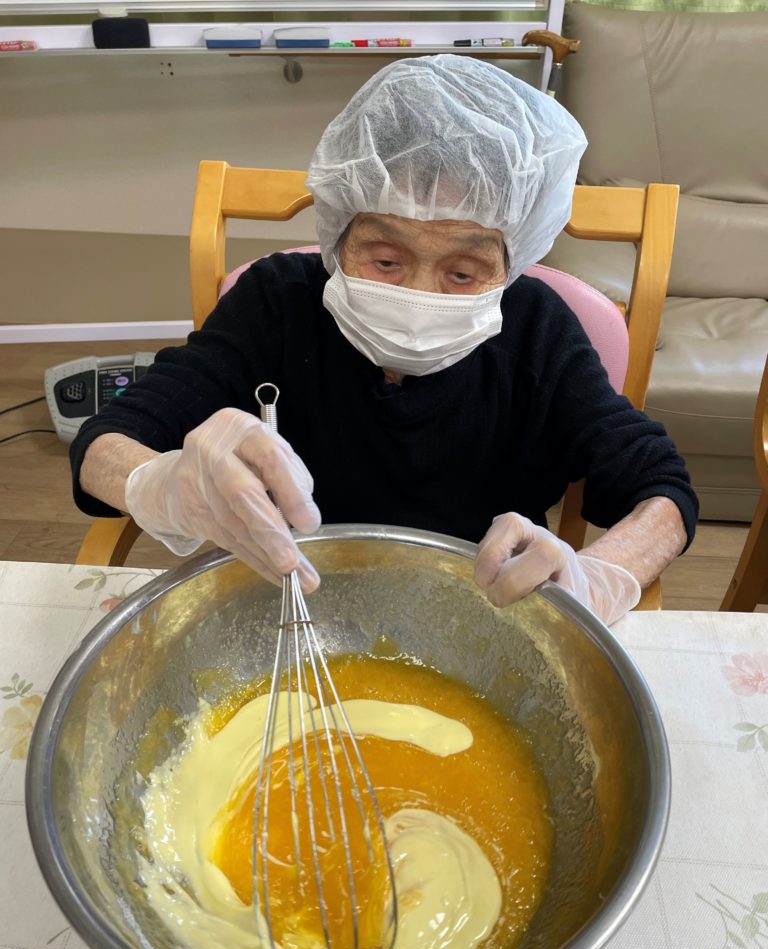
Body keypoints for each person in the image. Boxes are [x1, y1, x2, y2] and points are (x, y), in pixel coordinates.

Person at [71, 55, 697, 626]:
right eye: (386, 260)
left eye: (463, 273)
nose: (419, 296)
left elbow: (661, 490)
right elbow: (106, 441)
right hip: (290, 602)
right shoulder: (276, 301)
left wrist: (599, 576)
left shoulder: (537, 329)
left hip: (481, 617)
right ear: (338, 236)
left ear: (511, 264)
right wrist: (158, 483)